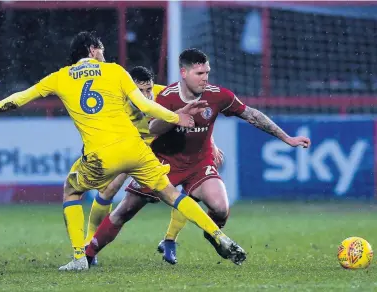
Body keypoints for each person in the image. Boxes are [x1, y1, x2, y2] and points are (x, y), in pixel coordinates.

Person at [0, 33, 245, 271]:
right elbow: (146, 105)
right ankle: (218, 235)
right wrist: (176, 117)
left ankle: (78, 256)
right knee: (172, 194)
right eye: (102, 50)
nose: (105, 54)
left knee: (71, 190)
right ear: (93, 50)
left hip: (102, 155)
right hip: (136, 148)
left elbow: (20, 98)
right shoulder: (115, 71)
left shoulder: (59, 78)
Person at [85, 48, 310, 266]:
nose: (205, 78)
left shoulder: (218, 95)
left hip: (198, 164)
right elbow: (153, 128)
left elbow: (251, 114)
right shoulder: (167, 96)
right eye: (199, 73)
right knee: (124, 210)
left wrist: (287, 138)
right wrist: (178, 116)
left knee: (221, 208)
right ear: (184, 73)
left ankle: (212, 236)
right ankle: (88, 252)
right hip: (163, 163)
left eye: (207, 73)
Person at [83, 66, 225, 256]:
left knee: (185, 186)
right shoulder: (114, 103)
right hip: (130, 147)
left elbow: (193, 115)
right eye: (140, 90)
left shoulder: (164, 94)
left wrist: (212, 144)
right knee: (110, 189)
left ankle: (170, 239)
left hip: (161, 150)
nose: (146, 95)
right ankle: (89, 241)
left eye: (148, 89)